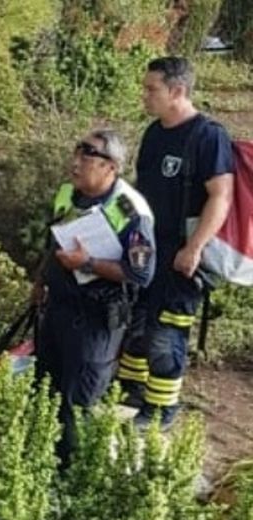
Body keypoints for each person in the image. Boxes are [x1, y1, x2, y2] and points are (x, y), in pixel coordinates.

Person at [118, 56, 235, 427]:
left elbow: (221, 196)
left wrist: (194, 247)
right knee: (138, 320)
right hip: (147, 248)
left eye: (151, 89)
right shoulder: (154, 133)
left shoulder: (207, 136)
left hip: (180, 253)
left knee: (166, 331)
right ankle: (131, 389)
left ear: (177, 91)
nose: (144, 95)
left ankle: (161, 410)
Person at [35, 129, 156, 460]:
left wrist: (88, 264)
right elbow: (53, 241)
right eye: (77, 151)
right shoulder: (68, 192)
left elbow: (141, 273)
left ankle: (70, 474)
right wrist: (40, 281)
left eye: (88, 155)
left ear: (111, 167)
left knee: (77, 405)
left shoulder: (130, 211)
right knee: (44, 393)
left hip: (95, 320)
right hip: (57, 310)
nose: (76, 162)